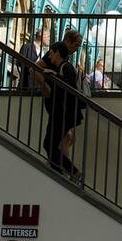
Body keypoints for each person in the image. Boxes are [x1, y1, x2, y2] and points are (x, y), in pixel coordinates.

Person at [41, 41, 84, 179]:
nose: (50, 57)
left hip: (63, 113)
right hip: (60, 113)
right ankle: (62, 172)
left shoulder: (66, 67)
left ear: (58, 53)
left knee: (49, 144)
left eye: (52, 53)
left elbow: (69, 86)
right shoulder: (64, 67)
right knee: (49, 144)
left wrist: (53, 75)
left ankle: (70, 172)